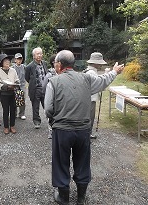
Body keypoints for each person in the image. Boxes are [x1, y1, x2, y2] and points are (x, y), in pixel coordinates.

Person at [44, 50, 124, 205]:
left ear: (59, 65)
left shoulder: (53, 82)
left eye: (55, 64)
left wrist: (55, 119)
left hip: (62, 130)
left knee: (61, 162)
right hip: (83, 130)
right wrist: (114, 71)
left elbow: (48, 108)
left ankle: (63, 197)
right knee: (82, 161)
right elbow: (103, 81)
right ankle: (81, 197)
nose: (54, 66)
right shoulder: (87, 78)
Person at [84, 52, 110, 139]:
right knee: (90, 118)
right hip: (90, 99)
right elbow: (98, 84)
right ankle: (87, 135)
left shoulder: (88, 71)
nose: (101, 65)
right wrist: (106, 75)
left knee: (89, 117)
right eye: (99, 63)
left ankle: (88, 134)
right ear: (95, 63)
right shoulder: (91, 72)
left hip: (88, 98)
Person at [0, 54, 20, 134]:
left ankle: (12, 126)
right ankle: (6, 126)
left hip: (13, 93)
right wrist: (6, 86)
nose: (7, 62)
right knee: (6, 110)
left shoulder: (13, 70)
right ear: (2, 62)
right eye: (5, 61)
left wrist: (15, 84)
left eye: (8, 61)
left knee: (13, 110)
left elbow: (17, 80)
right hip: (4, 94)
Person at [25, 47, 48, 129]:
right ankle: (37, 121)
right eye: (37, 54)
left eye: (40, 53)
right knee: (35, 106)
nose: (39, 55)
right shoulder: (29, 66)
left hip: (45, 88)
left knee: (47, 105)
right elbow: (27, 78)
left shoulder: (45, 63)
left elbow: (47, 74)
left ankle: (50, 120)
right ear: (34, 56)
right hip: (35, 89)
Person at [43, 54, 58, 139]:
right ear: (53, 62)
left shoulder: (62, 72)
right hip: (51, 97)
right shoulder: (49, 74)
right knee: (49, 114)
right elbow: (44, 87)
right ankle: (51, 131)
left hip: (59, 99)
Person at [12, 53, 26, 120]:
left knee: (22, 100)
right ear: (15, 60)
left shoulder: (24, 67)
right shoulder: (12, 68)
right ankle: (14, 114)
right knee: (14, 100)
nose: (19, 60)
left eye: (20, 59)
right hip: (14, 86)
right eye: (18, 59)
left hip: (22, 85)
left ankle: (22, 114)